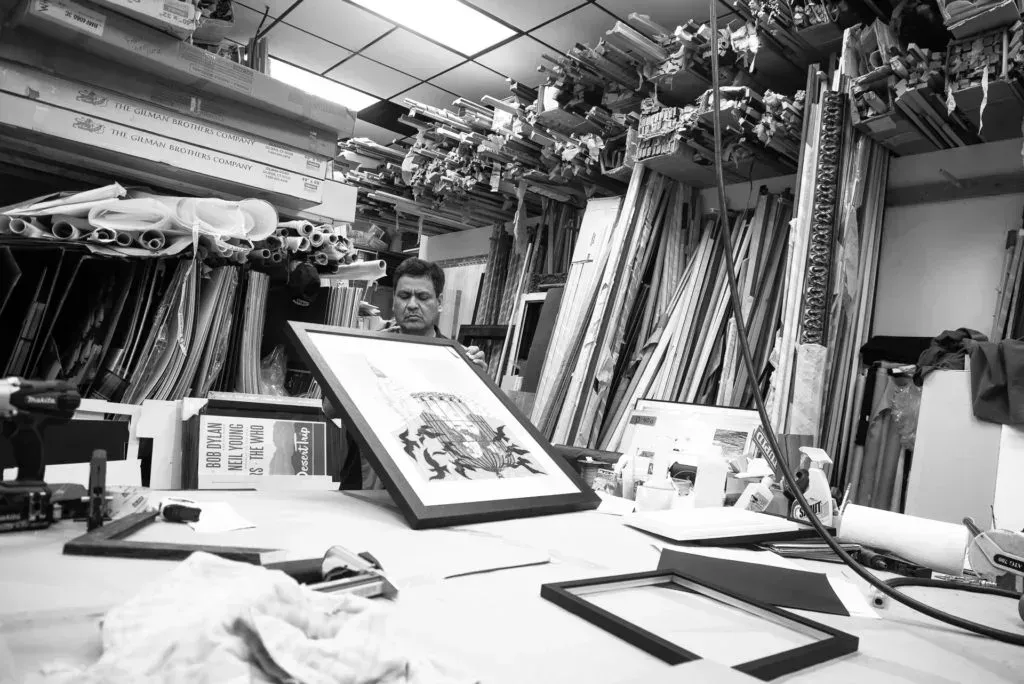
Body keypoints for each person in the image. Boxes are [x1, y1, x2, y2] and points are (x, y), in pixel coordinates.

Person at [337, 257, 486, 489]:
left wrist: (479, 382)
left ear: (439, 302)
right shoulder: (365, 350)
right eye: (404, 296)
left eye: (423, 297)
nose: (412, 305)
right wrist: (347, 366)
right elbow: (329, 408)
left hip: (432, 483)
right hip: (367, 483)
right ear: (394, 300)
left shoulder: (458, 360)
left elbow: (478, 428)